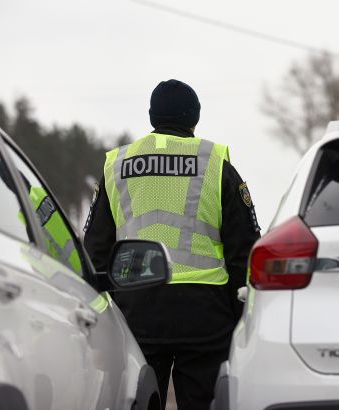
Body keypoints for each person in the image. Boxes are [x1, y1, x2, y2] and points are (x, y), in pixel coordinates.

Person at [83, 79, 261, 410]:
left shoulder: (117, 165)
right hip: (205, 314)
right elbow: (244, 247)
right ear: (195, 117)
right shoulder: (214, 163)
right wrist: (241, 314)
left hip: (137, 309)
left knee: (136, 400)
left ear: (152, 116)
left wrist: (106, 312)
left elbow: (95, 248)